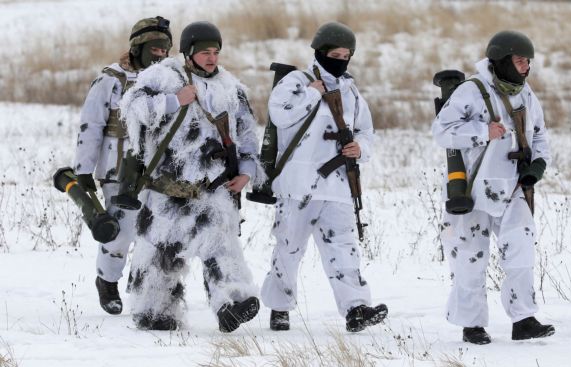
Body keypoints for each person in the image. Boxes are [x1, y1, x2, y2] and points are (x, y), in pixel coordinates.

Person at [118, 21, 265, 332]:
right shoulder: (163, 76)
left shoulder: (230, 87)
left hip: (213, 185)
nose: (212, 58)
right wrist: (174, 101)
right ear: (188, 53)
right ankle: (155, 312)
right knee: (161, 252)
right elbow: (133, 109)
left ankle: (232, 303)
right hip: (166, 189)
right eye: (205, 52)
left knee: (221, 244)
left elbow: (248, 134)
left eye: (216, 52)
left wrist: (247, 172)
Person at [260, 21, 388, 333]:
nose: (341, 60)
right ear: (320, 53)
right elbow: (279, 114)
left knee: (344, 248)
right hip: (298, 185)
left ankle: (356, 308)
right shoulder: (296, 81)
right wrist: (310, 94)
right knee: (289, 248)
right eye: (335, 54)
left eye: (346, 55)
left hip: (338, 185)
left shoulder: (351, 91)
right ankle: (279, 307)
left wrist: (361, 149)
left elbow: (366, 130)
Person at [432, 30, 555, 344]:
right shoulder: (471, 91)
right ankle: (472, 325)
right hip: (473, 190)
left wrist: (537, 166)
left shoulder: (527, 94)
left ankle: (524, 319)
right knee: (471, 257)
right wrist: (481, 131)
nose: (525, 67)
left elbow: (539, 135)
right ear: (501, 60)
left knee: (522, 251)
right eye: (519, 60)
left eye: (528, 61)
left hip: (513, 187)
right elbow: (442, 132)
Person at [73, 16, 172, 315]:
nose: (161, 56)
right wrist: (83, 169)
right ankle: (107, 280)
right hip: (117, 169)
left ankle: (141, 281)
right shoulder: (110, 81)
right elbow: (90, 126)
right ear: (138, 47)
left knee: (153, 232)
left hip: (156, 171)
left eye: (165, 50)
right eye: (155, 50)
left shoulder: (167, 79)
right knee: (121, 232)